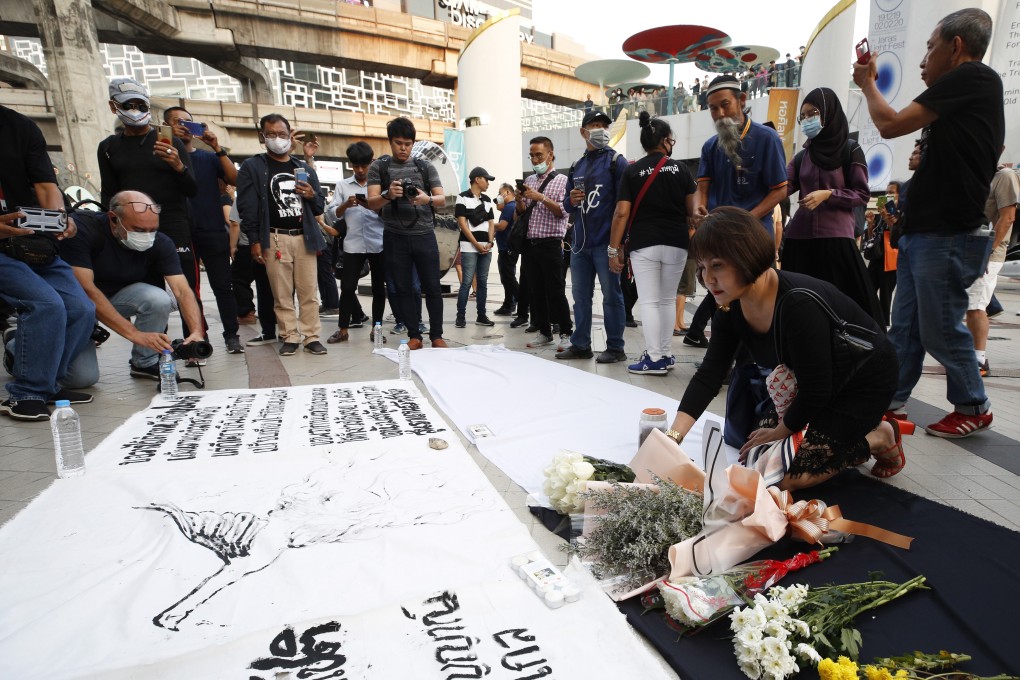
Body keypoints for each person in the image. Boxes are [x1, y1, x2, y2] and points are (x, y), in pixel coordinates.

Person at [665, 207, 905, 490]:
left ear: (747, 256)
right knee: (756, 456)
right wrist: (672, 439)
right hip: (816, 384)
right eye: (703, 267)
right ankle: (842, 434)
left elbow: (817, 388)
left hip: (863, 382)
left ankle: (878, 436)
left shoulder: (797, 303)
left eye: (717, 265)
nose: (707, 278)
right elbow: (709, 374)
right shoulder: (730, 307)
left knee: (783, 476)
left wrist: (782, 430)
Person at [853, 8, 1004, 437]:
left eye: (929, 47)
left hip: (948, 234)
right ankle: (892, 402)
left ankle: (974, 404)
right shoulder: (959, 99)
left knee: (938, 329)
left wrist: (867, 85)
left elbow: (889, 122)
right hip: (927, 234)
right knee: (905, 329)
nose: (922, 59)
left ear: (956, 47)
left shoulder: (973, 77)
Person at [0, 105, 96, 421]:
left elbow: (45, 184)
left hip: (30, 239)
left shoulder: (19, 126)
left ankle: (47, 383)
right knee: (46, 305)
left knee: (81, 309)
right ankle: (26, 393)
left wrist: (58, 218)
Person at [684, 75, 788, 349]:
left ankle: (761, 357)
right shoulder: (710, 146)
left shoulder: (766, 139)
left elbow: (780, 190)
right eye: (713, 109)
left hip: (753, 237)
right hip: (719, 238)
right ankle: (724, 360)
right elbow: (702, 188)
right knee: (722, 302)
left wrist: (747, 219)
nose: (719, 114)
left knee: (758, 297)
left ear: (742, 100)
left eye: (725, 105)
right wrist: (698, 207)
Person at [59, 190, 206, 382]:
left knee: (158, 298)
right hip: (76, 305)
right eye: (139, 230)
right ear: (113, 219)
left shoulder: (160, 242)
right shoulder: (81, 229)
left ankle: (144, 362)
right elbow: (86, 290)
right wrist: (136, 335)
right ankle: (20, 345)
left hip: (116, 299)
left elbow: (182, 290)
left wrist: (196, 331)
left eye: (152, 230)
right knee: (81, 379)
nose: (147, 236)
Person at [98, 78, 201, 339]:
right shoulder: (109, 148)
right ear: (114, 107)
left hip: (173, 224)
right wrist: (110, 227)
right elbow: (108, 193)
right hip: (134, 227)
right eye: (128, 105)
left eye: (140, 104)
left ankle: (196, 341)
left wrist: (178, 166)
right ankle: (154, 349)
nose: (135, 110)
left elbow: (192, 189)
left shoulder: (170, 143)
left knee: (185, 285)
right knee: (152, 291)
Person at [781, 87, 880, 323]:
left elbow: (861, 194)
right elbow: (782, 187)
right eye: (803, 116)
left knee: (844, 306)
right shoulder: (801, 157)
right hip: (799, 240)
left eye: (812, 113)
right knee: (798, 306)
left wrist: (828, 194)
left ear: (829, 113)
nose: (807, 120)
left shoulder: (850, 150)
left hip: (835, 240)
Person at [608, 112, 697, 374]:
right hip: (677, 242)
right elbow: (693, 211)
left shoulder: (633, 170)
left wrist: (614, 249)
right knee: (668, 299)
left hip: (644, 243)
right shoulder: (680, 169)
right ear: (666, 141)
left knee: (648, 301)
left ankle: (654, 358)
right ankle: (665, 353)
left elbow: (621, 212)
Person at [236, 113, 328, 357]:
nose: (278, 139)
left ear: (290, 136)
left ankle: (311, 336)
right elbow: (247, 207)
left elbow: (319, 206)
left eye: (283, 134)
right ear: (262, 136)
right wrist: (254, 240)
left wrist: (310, 194)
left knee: (309, 291)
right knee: (281, 292)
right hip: (274, 237)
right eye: (272, 134)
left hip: (305, 236)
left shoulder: (303, 168)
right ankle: (289, 335)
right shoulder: (252, 167)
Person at [163, 106, 244, 355]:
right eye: (176, 122)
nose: (183, 126)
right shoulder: (160, 157)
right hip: (178, 232)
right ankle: (197, 338)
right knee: (186, 288)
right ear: (166, 126)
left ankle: (232, 335)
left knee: (223, 286)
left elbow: (234, 179)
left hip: (211, 229)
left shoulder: (209, 158)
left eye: (189, 122)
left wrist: (217, 147)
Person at [367, 116, 448, 350]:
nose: (403, 148)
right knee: (402, 288)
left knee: (432, 286)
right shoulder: (379, 167)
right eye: (398, 143)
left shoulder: (425, 166)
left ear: (413, 143)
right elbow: (372, 203)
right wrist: (388, 194)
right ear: (390, 142)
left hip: (424, 235)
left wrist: (426, 199)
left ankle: (437, 335)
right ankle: (414, 335)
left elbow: (442, 199)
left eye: (408, 143)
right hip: (394, 236)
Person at [560, 110, 629, 363]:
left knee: (612, 296)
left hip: (606, 244)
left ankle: (615, 347)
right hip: (579, 245)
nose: (600, 129)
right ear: (583, 131)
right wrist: (570, 199)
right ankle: (580, 345)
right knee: (580, 298)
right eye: (594, 125)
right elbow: (566, 207)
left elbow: (625, 206)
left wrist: (619, 245)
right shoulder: (576, 166)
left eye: (603, 125)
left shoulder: (616, 162)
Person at [325, 141, 387, 344]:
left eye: (364, 166)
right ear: (350, 164)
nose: (360, 170)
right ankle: (343, 330)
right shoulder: (342, 185)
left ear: (372, 162)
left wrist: (373, 206)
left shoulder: (379, 185)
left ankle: (376, 330)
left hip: (378, 243)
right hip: (353, 244)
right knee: (348, 288)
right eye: (355, 166)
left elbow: (389, 214)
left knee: (379, 289)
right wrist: (345, 205)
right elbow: (332, 215)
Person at [516, 136, 573, 350]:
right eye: (531, 155)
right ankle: (544, 331)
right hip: (531, 243)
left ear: (550, 154)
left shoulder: (562, 181)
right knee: (535, 290)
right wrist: (520, 200)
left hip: (551, 242)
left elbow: (562, 212)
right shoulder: (529, 181)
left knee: (555, 290)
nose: (534, 159)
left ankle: (566, 333)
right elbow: (522, 213)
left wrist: (541, 198)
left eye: (538, 154)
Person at [967, 164, 1018, 376]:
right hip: (967, 249)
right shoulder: (976, 173)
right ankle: (968, 354)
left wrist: (987, 251)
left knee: (976, 305)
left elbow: (1007, 217)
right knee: (967, 305)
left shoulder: (1004, 176)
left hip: (988, 252)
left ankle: (979, 359)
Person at [454, 167, 496, 329]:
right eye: (486, 179)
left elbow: (491, 223)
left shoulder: (487, 199)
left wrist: (490, 241)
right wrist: (476, 244)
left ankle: (481, 315)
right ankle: (460, 316)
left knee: (483, 282)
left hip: (486, 247)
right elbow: (462, 224)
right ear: (477, 179)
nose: (488, 183)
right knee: (466, 282)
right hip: (469, 247)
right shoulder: (462, 198)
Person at [492, 183, 518, 316]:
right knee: (507, 278)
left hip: (507, 249)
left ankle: (524, 302)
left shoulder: (509, 207)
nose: (499, 195)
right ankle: (508, 304)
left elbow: (502, 226)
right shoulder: (510, 207)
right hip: (506, 248)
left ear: (507, 192)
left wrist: (488, 224)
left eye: (500, 192)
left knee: (508, 278)